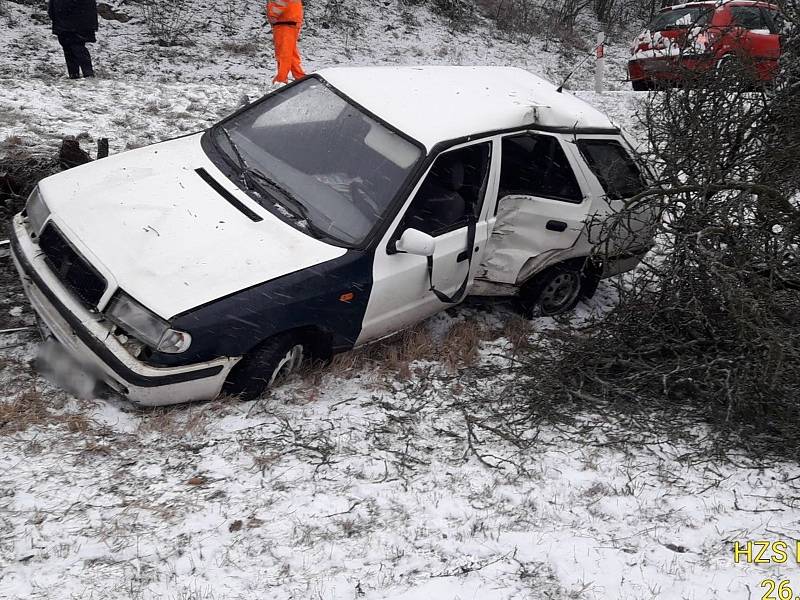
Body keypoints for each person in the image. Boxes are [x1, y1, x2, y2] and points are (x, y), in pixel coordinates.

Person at [47, 0, 98, 79]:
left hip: (75, 22)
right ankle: (75, 74)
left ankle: (87, 74)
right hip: (66, 22)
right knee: (68, 47)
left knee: (76, 46)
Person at [266, 0, 306, 84]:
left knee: (284, 52)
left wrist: (273, 14)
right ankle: (300, 76)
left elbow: (282, 2)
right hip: (288, 21)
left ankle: (281, 79)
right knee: (290, 52)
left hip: (285, 22)